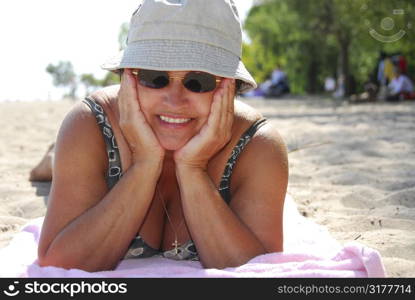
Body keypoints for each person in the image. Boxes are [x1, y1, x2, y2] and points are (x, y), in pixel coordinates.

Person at [36, 0, 288, 272]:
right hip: (82, 149)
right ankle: (51, 159)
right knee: (51, 170)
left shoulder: (257, 146)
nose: (175, 100)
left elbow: (260, 272)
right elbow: (57, 262)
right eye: (154, 77)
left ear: (231, 87)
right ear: (127, 79)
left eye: (198, 81)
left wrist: (192, 169)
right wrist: (145, 163)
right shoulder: (92, 125)